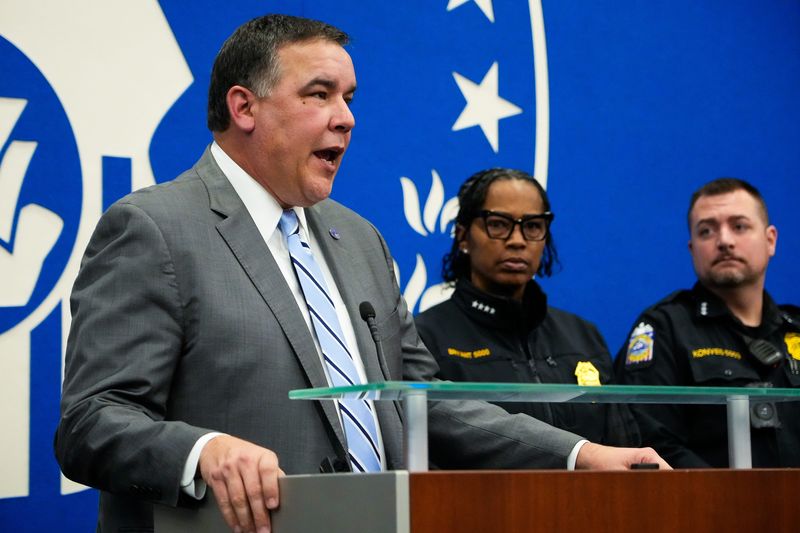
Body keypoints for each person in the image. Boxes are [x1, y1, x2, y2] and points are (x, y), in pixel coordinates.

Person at [55, 14, 668, 533]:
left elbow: (425, 406)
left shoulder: (359, 239)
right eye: (319, 94)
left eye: (349, 98)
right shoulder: (153, 227)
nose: (346, 118)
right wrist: (201, 450)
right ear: (244, 106)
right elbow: (91, 422)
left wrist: (579, 455)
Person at [416, 168, 639, 446]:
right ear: (463, 236)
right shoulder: (424, 337)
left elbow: (625, 445)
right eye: (498, 224)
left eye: (532, 226)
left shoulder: (583, 335)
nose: (517, 240)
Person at [615, 178, 800, 468]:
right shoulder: (664, 328)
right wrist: (728, 500)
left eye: (739, 226)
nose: (724, 241)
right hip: (710, 507)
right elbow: (651, 442)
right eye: (707, 231)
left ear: (771, 240)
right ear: (692, 249)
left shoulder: (795, 327)